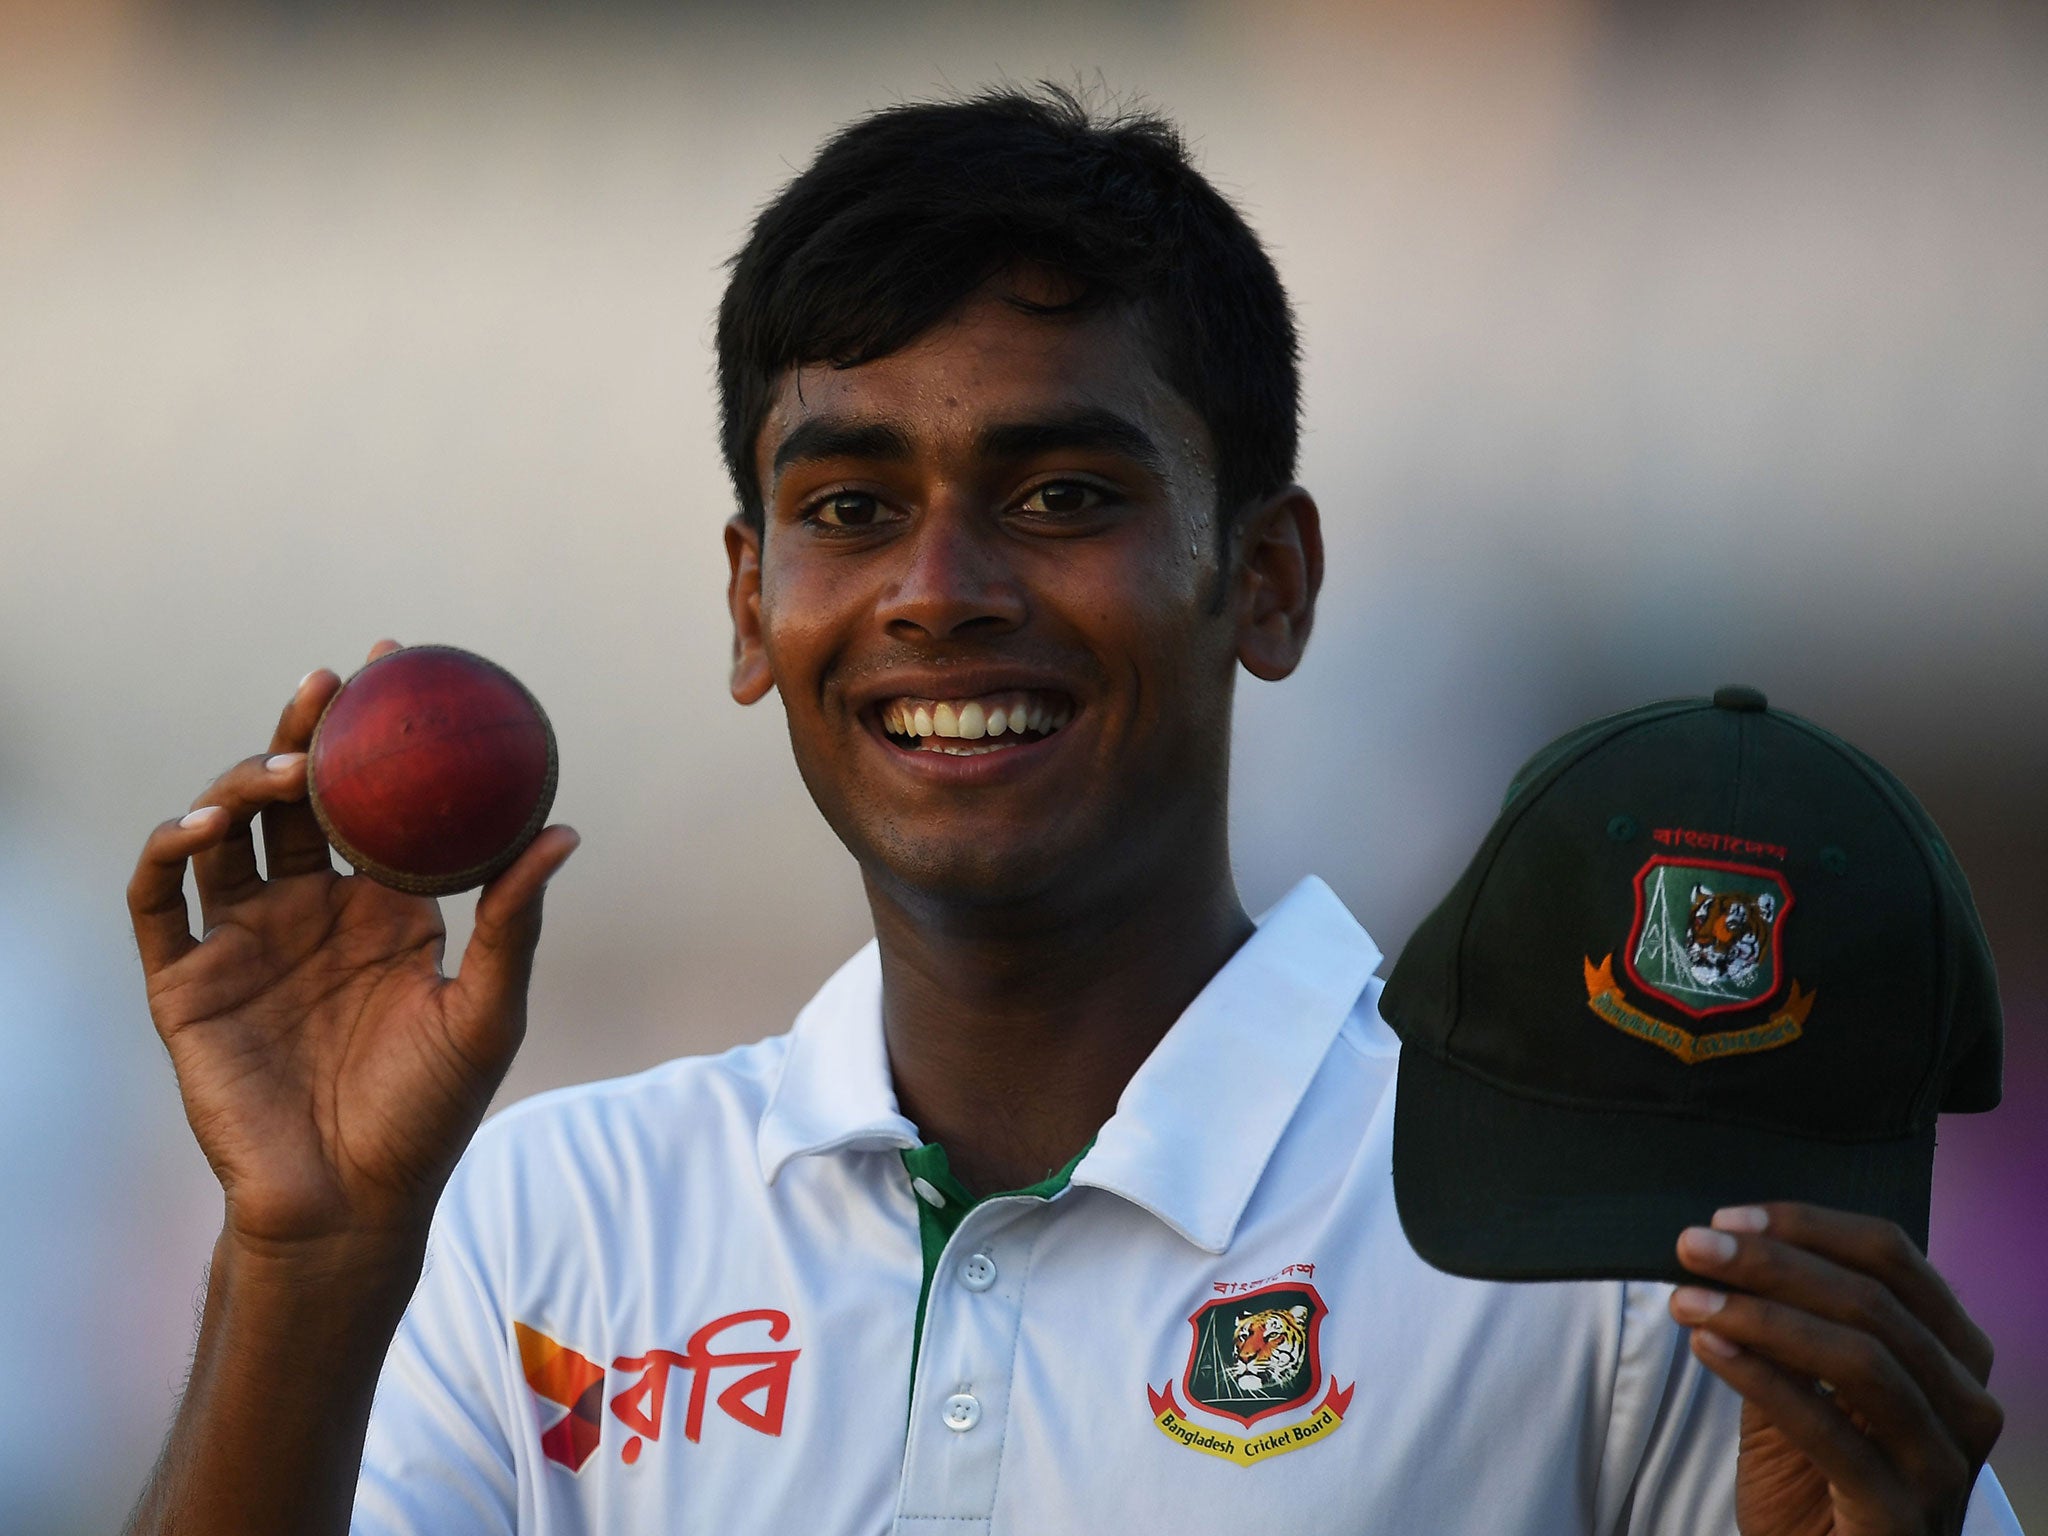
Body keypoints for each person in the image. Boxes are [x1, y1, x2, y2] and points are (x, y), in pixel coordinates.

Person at [123, 88, 2015, 1535]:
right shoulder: (554, 1220)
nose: (937, 586)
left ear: (1267, 582)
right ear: (747, 607)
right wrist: (306, 1254)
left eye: (1059, 496)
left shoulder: (1600, 1246)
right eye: (851, 508)